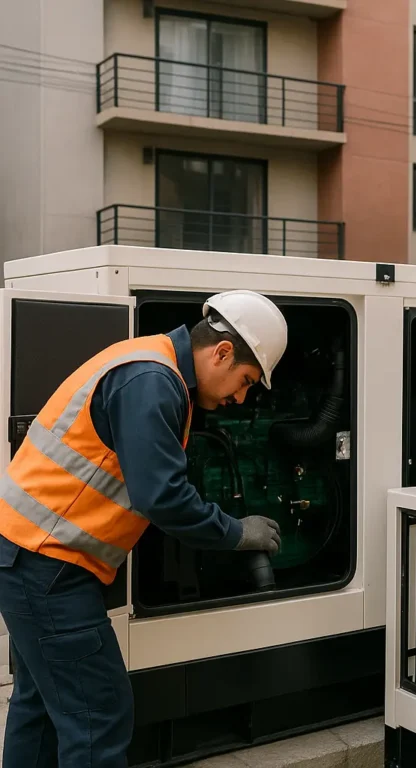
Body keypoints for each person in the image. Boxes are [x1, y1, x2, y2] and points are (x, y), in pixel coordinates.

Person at [0, 290, 288, 767]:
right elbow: (162, 497)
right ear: (221, 352)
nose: (241, 397)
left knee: (42, 709)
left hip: (28, 555)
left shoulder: (149, 362)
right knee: (98, 716)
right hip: (47, 567)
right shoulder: (153, 381)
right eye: (246, 381)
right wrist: (238, 533)